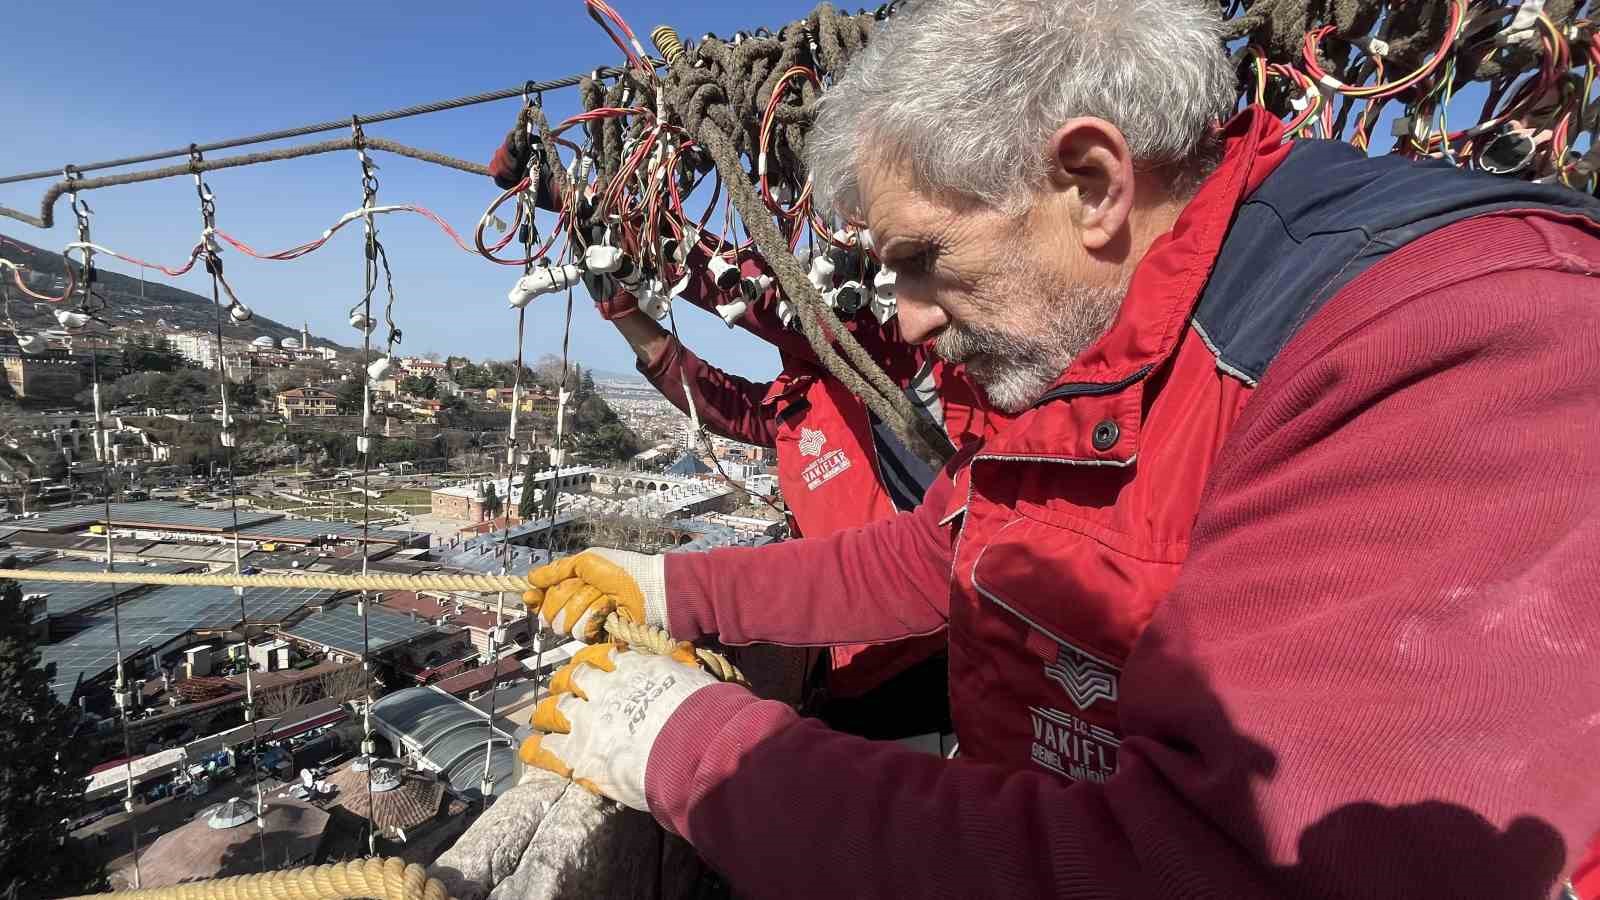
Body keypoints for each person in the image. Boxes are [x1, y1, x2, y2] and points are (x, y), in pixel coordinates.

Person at [516, 0, 1600, 895]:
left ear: (1089, 184)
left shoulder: (1451, 345)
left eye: (922, 260)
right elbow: (941, 552)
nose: (905, 321)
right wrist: (668, 588)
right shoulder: (1085, 344)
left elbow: (1213, 868)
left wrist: (691, 750)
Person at [489, 134, 1010, 731]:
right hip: (854, 660)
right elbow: (721, 403)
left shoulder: (882, 352)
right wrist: (623, 311)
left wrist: (596, 211)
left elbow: (768, 298)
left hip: (937, 643)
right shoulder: (800, 401)